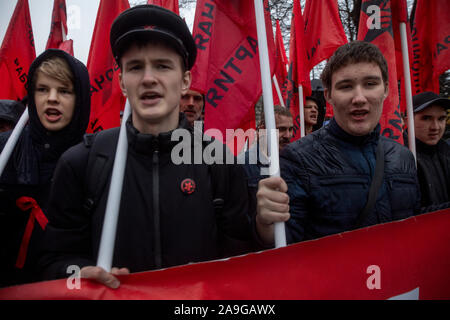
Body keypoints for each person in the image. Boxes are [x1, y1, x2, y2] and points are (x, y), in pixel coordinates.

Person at [39, 5, 264, 289]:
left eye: (162, 65)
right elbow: (51, 265)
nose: (148, 78)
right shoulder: (81, 162)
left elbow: (242, 266)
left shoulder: (219, 161)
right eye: (135, 67)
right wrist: (78, 273)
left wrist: (263, 230)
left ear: (185, 81)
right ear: (121, 81)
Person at [255, 41, 420, 245]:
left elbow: (416, 227)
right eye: (346, 86)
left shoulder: (403, 156)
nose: (359, 98)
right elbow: (283, 243)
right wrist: (266, 223)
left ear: (385, 89)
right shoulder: (298, 159)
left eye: (370, 84)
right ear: (329, 95)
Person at [0, 49, 91, 287]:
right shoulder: (4, 148)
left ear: (80, 100)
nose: (52, 98)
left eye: (64, 91)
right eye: (42, 89)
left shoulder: (95, 157)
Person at [412, 91, 450, 208]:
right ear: (407, 119)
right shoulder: (396, 159)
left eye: (441, 118)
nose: (435, 127)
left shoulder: (446, 152)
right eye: (426, 118)